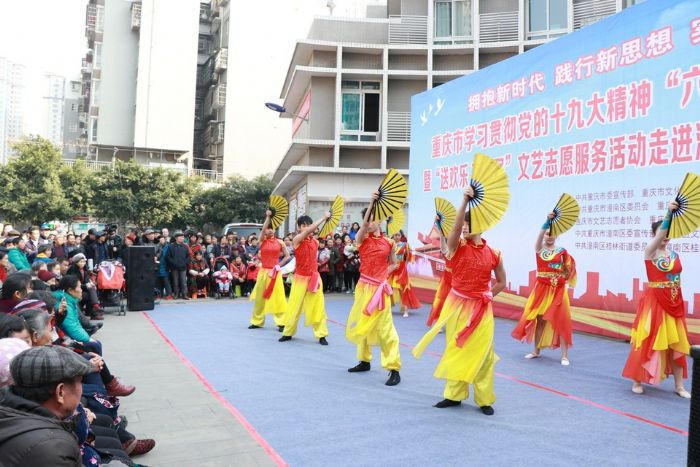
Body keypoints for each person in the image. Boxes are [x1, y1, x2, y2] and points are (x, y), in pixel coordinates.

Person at [412, 187, 507, 415]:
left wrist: (488, 295)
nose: (464, 227)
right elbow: (453, 232)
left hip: (481, 310)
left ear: (481, 226)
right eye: (462, 224)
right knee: (456, 348)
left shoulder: (494, 253)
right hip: (457, 306)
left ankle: (484, 399)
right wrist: (464, 201)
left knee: (483, 354)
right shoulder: (456, 247)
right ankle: (454, 395)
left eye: (468, 224)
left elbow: (502, 282)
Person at [622, 201, 691, 398]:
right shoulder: (650, 253)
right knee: (648, 340)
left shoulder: (674, 254)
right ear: (655, 234)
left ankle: (679, 386)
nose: (665, 236)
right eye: (662, 232)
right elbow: (661, 234)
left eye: (668, 232)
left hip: (674, 302)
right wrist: (669, 214)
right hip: (654, 303)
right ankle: (637, 379)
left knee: (677, 343)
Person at [0, 345, 95, 466]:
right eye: (80, 381)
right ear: (60, 392)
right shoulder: (53, 448)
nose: (81, 389)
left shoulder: (8, 409)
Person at [345, 193, 402, 386]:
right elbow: (361, 230)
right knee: (363, 324)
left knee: (386, 328)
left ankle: (393, 367)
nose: (369, 223)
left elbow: (394, 263)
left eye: (372, 219)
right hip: (363, 288)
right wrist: (370, 204)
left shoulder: (390, 242)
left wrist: (386, 272)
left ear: (381, 220)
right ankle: (364, 360)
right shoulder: (362, 239)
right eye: (366, 220)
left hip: (380, 290)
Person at [511, 211, 577, 365]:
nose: (549, 236)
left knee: (561, 320)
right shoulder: (539, 249)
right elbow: (539, 236)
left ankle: (565, 355)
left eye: (552, 234)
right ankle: (536, 351)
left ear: (557, 235)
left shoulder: (562, 252)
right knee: (539, 320)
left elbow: (568, 270)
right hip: (541, 289)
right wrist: (547, 221)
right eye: (547, 233)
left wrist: (561, 279)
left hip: (558, 290)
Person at [279, 213, 331, 345]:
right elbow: (309, 231)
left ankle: (321, 334)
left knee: (318, 307)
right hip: (300, 279)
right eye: (303, 225)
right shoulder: (296, 240)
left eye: (308, 225)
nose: (306, 227)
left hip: (314, 278)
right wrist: (323, 218)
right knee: (294, 307)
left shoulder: (315, 241)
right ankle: (288, 332)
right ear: (299, 228)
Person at [248, 211, 291, 330]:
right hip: (263, 272)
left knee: (278, 298)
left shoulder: (280, 242)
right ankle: (257, 321)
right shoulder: (262, 240)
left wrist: (279, 265)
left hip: (275, 273)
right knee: (260, 298)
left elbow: (287, 256)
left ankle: (281, 322)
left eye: (272, 228)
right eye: (268, 228)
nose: (270, 230)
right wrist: (268, 216)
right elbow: (262, 230)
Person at [426, 216, 452, 328]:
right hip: (446, 280)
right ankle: (438, 322)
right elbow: (443, 248)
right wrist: (440, 227)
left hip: (459, 280)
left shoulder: (463, 247)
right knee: (441, 301)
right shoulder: (448, 250)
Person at [389, 231, 421, 318]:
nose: (397, 236)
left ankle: (405, 310)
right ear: (393, 236)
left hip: (401, 269)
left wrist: (404, 265)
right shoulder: (390, 244)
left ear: (401, 236)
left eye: (398, 235)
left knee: (404, 290)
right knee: (388, 289)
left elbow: (408, 256)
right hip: (391, 269)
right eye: (395, 235)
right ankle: (387, 309)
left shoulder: (405, 245)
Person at [167, 231, 190, 300]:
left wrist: (185, 263)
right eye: (181, 237)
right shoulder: (171, 246)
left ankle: (184, 294)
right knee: (175, 282)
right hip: (174, 267)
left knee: (183, 282)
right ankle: (176, 294)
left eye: (183, 237)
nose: (182, 238)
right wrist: (173, 263)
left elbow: (188, 256)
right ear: (176, 238)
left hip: (183, 267)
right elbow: (168, 257)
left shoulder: (185, 246)